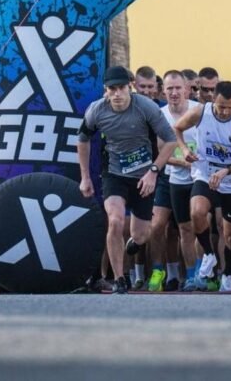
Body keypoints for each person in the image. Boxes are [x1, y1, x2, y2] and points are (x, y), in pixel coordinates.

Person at [78, 66, 177, 294]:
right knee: (114, 221)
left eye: (121, 88)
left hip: (144, 176)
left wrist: (153, 171)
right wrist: (84, 177)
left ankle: (134, 243)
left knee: (142, 235)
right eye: (112, 89)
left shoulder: (146, 107)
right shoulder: (96, 110)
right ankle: (120, 279)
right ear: (106, 90)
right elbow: (82, 140)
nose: (117, 94)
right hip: (114, 174)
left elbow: (170, 141)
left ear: (129, 87)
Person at [173, 81, 231, 292]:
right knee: (197, 212)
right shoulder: (200, 113)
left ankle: (228, 272)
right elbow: (176, 128)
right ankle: (209, 254)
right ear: (213, 100)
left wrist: (227, 170)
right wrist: (184, 149)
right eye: (221, 106)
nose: (225, 111)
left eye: (229, 107)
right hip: (205, 173)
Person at [148, 70, 200, 292]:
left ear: (187, 89)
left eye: (178, 88)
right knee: (157, 226)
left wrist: (194, 164)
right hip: (168, 177)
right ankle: (159, 271)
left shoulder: (199, 111)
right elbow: (161, 154)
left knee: (188, 228)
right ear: (163, 91)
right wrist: (183, 162)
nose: (174, 92)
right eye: (169, 89)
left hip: (196, 178)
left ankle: (192, 275)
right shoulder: (159, 115)